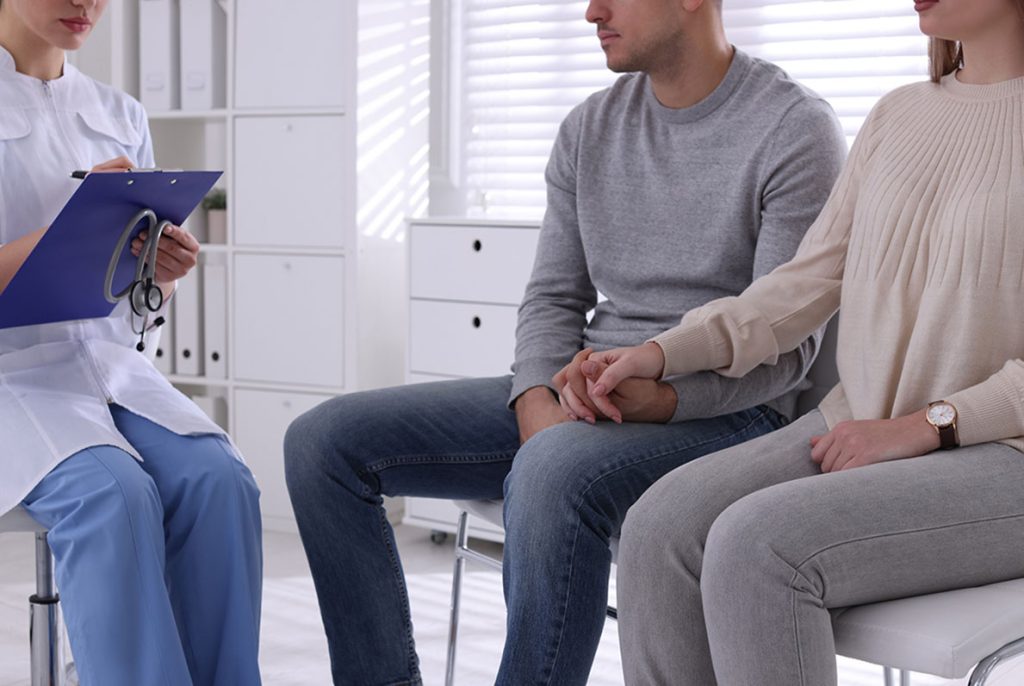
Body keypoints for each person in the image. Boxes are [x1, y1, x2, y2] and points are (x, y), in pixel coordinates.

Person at [283, 0, 847, 683]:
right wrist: (538, 402)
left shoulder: (796, 129)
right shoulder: (590, 128)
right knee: (322, 444)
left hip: (730, 418)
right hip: (586, 392)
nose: (590, 11)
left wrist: (655, 398)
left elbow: (786, 355)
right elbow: (553, 298)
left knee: (553, 475)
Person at [575, 0, 1024, 683]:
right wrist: (664, 353)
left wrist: (926, 426)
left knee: (758, 546)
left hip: (1004, 454)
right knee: (657, 528)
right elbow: (804, 284)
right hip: (863, 424)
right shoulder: (899, 114)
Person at [0, 1, 263, 684]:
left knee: (221, 481)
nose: (85, 3)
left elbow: (131, 301)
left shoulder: (120, 114)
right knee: (113, 497)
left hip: (108, 370)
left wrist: (160, 271)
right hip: (11, 379)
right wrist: (66, 233)